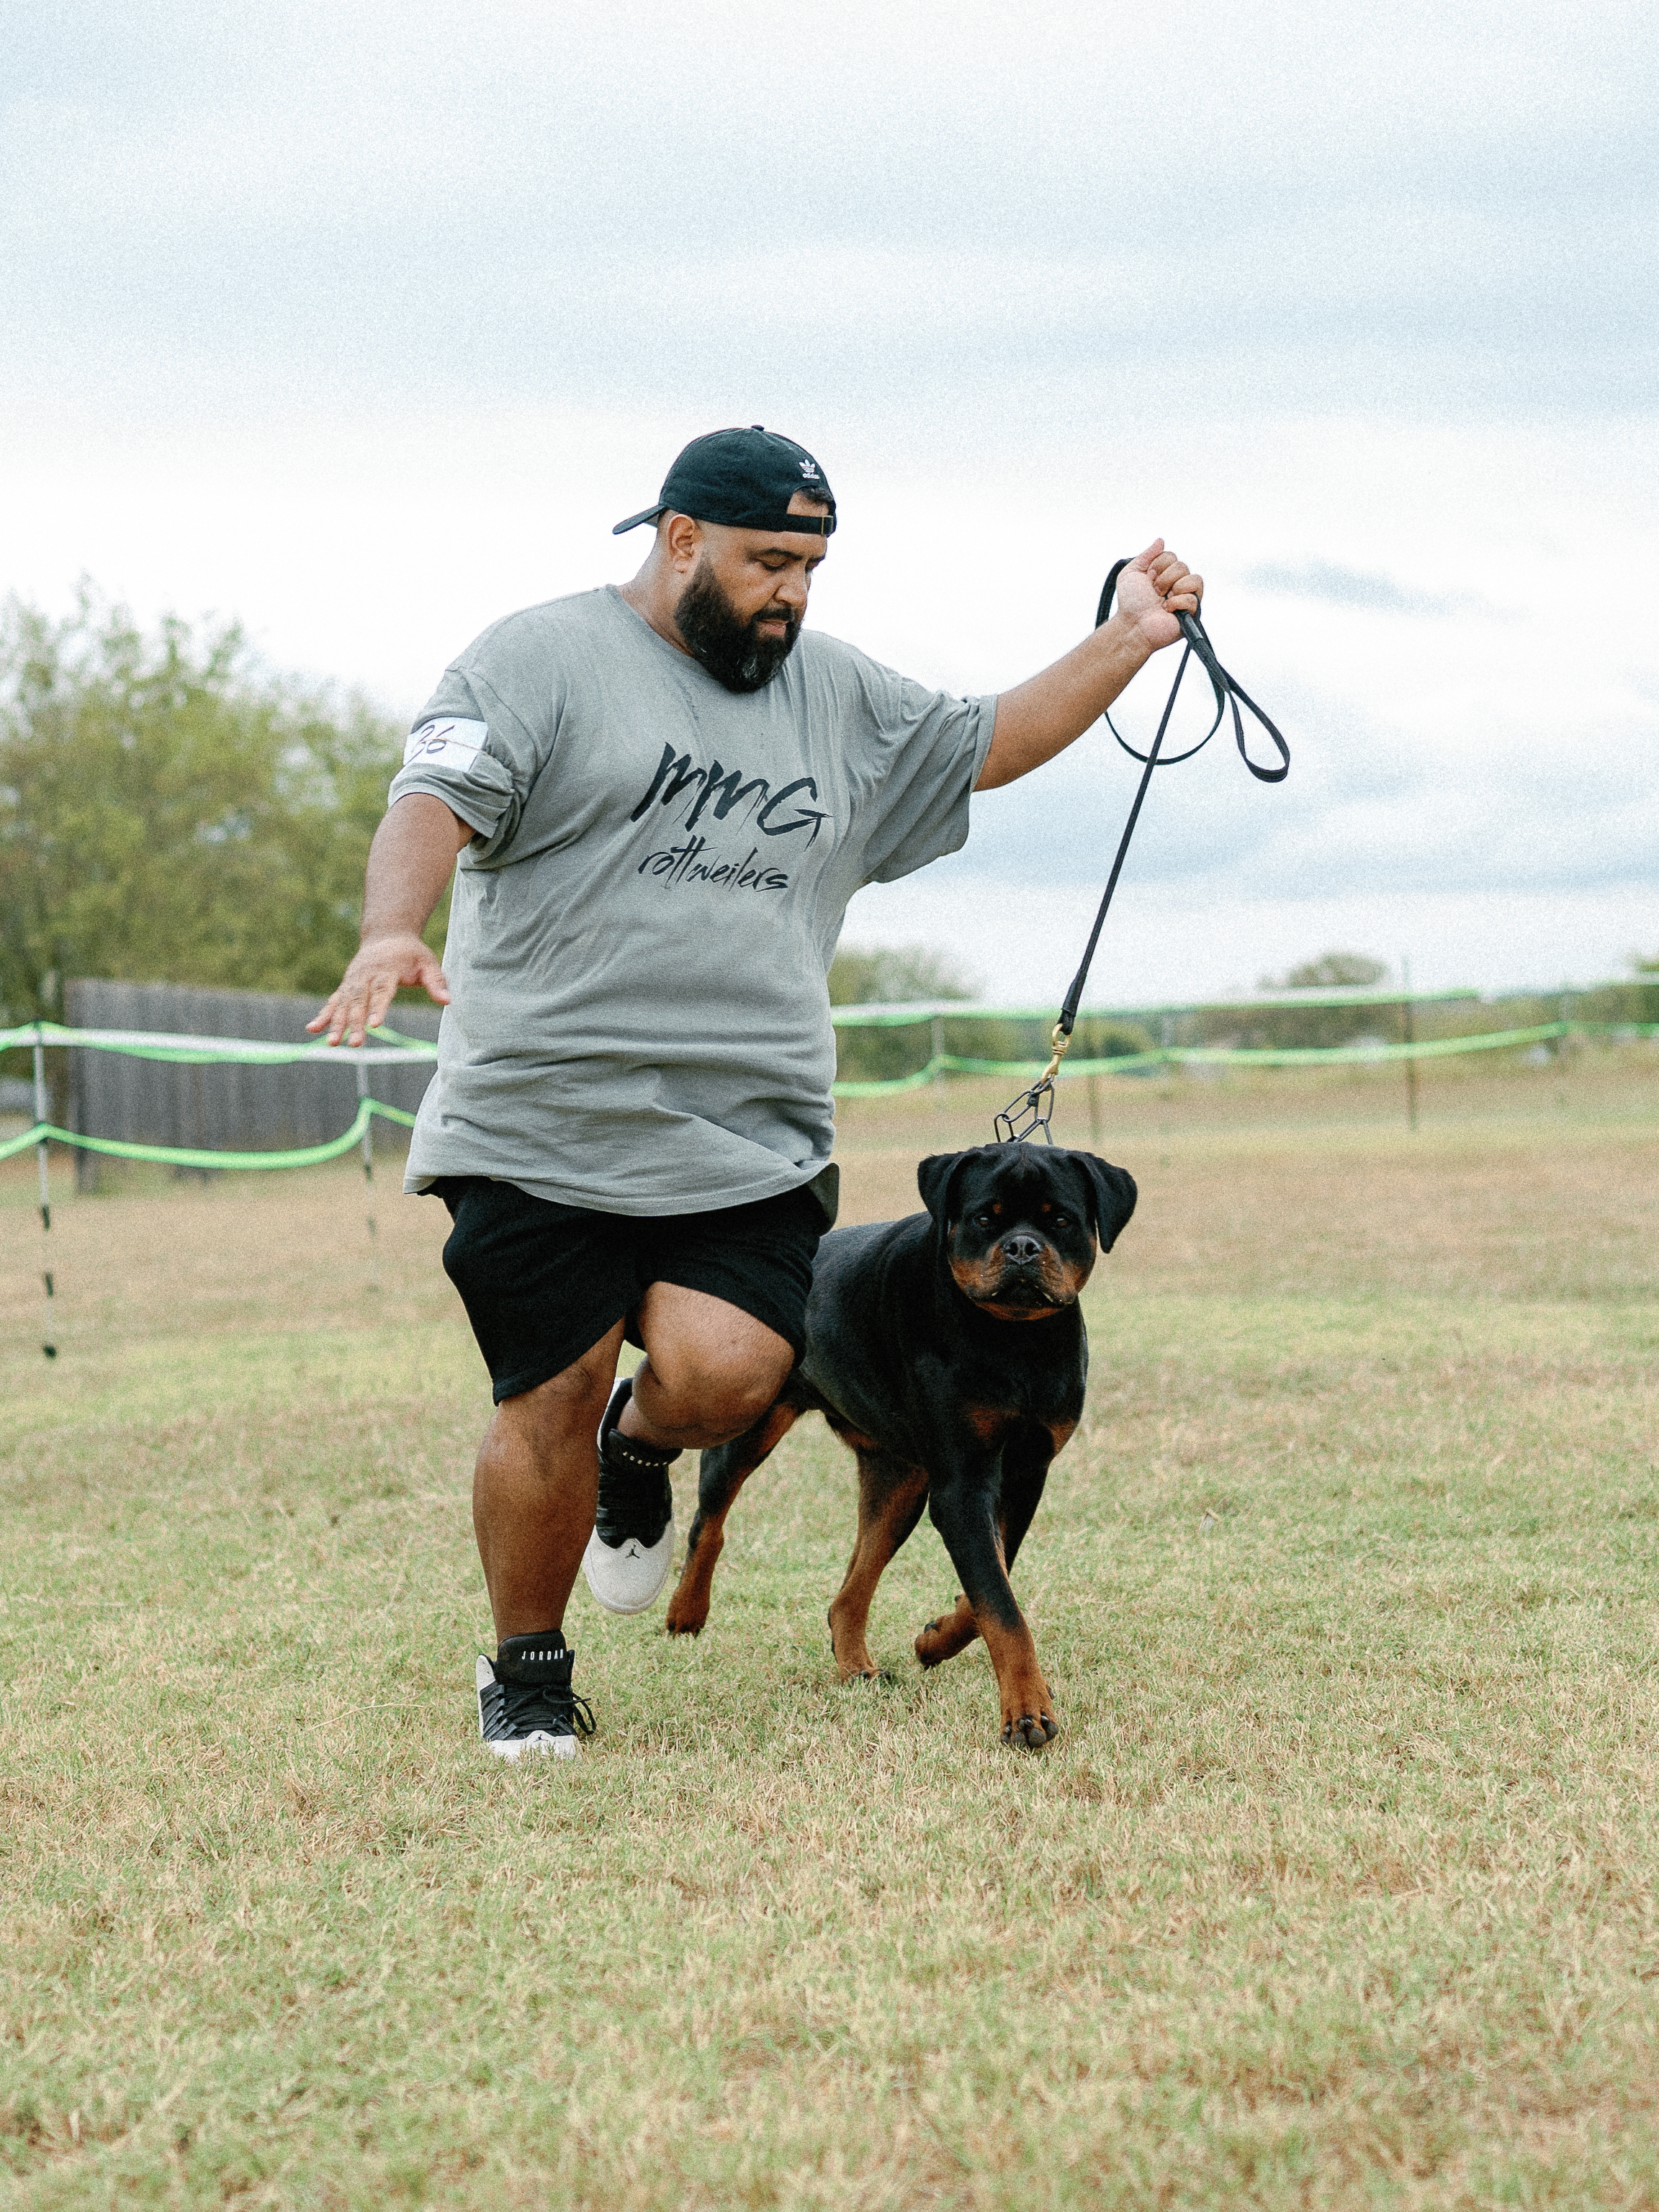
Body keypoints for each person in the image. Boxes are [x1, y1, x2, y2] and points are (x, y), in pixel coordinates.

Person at [310, 425, 1202, 1760]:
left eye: (811, 566)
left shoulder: (831, 693)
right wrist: (394, 928)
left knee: (731, 1378)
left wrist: (1128, 639)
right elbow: (431, 797)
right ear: (679, 541)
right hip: (542, 1115)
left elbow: (990, 741)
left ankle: (641, 1449)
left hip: (748, 1128)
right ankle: (529, 1674)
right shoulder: (536, 659)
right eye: (767, 561)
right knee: (547, 1390)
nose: (791, 591)